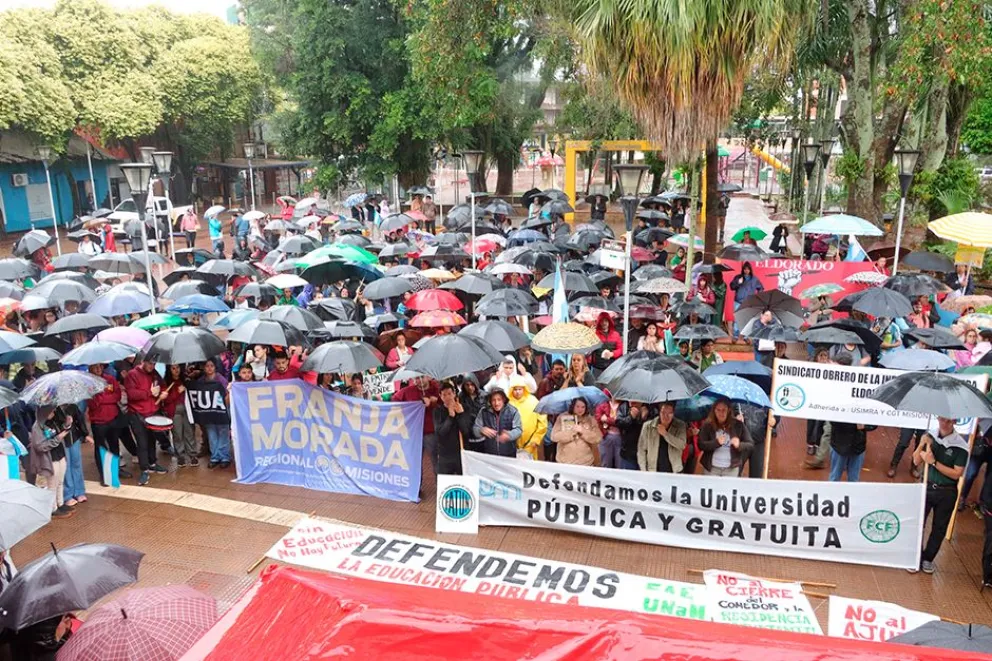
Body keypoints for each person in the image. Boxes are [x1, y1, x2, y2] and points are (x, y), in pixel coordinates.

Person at [910, 417, 968, 575]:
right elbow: (916, 461)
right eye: (942, 419)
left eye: (948, 421)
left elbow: (957, 473)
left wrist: (934, 462)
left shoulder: (961, 446)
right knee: (918, 522)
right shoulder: (930, 437)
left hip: (947, 491)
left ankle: (928, 558)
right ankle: (915, 556)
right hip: (927, 486)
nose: (944, 423)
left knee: (939, 527)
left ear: (954, 422)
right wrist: (922, 444)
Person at [124, 359, 168, 486]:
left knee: (151, 439)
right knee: (142, 442)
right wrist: (149, 393)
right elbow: (131, 394)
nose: (152, 366)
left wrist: (163, 393)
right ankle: (144, 469)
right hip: (137, 414)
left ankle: (152, 463)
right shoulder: (132, 374)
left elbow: (162, 385)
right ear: (143, 361)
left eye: (154, 364)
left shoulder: (154, 373)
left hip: (152, 412)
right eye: (150, 363)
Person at [86, 363, 132, 486]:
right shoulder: (88, 383)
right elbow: (93, 403)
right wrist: (105, 397)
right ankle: (104, 476)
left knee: (114, 447)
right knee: (101, 449)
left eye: (100, 366)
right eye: (95, 366)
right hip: (98, 422)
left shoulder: (110, 379)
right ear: (90, 368)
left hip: (113, 418)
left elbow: (117, 396)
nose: (98, 369)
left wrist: (103, 398)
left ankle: (115, 471)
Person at [29, 406, 74, 519]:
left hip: (60, 454)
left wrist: (67, 425)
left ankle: (60, 503)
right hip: (50, 458)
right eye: (51, 411)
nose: (54, 412)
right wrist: (58, 439)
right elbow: (40, 446)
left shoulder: (52, 421)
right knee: (52, 484)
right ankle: (53, 508)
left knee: (60, 481)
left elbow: (59, 430)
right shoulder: (37, 427)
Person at [188, 358, 231, 469]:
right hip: (209, 412)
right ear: (204, 368)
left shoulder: (220, 379)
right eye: (207, 366)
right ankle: (215, 456)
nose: (209, 368)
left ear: (215, 367)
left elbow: (228, 393)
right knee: (212, 434)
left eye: (212, 366)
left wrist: (224, 406)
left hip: (221, 411)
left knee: (223, 433)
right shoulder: (201, 380)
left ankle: (224, 457)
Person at [394, 376, 440, 474]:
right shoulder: (407, 391)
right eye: (417, 378)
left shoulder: (436, 390)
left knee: (436, 461)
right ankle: (417, 488)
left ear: (428, 377)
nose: (419, 380)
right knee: (414, 463)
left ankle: (439, 487)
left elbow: (444, 403)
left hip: (430, 432)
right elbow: (394, 400)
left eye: (422, 377)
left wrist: (434, 402)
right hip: (414, 433)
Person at [697, 398, 753, 476]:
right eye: (718, 410)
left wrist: (739, 445)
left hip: (731, 469)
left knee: (729, 488)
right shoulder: (708, 425)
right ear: (714, 411)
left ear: (729, 411)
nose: (721, 413)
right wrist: (716, 443)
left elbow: (750, 444)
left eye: (724, 410)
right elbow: (701, 444)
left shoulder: (738, 425)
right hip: (712, 469)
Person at [637, 401, 687, 473]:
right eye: (663, 413)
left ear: (673, 414)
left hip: (674, 470)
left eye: (669, 413)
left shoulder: (680, 425)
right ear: (659, 412)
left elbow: (682, 445)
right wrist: (644, 471)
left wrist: (666, 434)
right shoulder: (648, 426)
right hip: (653, 470)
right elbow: (641, 450)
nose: (666, 416)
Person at [471, 388, 522, 457]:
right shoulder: (483, 412)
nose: (496, 403)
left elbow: (518, 429)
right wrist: (481, 430)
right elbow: (475, 429)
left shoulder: (513, 411)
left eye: (499, 400)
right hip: (490, 455)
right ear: (490, 401)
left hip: (509, 454)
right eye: (493, 400)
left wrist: (509, 435)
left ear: (504, 400)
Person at [550, 397, 602, 466]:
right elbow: (554, 437)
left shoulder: (590, 419)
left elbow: (598, 438)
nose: (580, 409)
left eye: (583, 407)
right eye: (577, 406)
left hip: (585, 462)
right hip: (565, 462)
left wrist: (583, 431)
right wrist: (571, 432)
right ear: (573, 406)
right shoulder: (562, 417)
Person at [434, 382, 471, 474]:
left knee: (463, 482)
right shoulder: (437, 411)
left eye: (450, 394)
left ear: (454, 393)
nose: (447, 397)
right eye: (444, 395)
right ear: (440, 396)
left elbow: (466, 432)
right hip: (445, 454)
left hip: (461, 451)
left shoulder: (464, 407)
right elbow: (441, 433)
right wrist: (450, 417)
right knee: (445, 483)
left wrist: (461, 414)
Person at [163, 364, 196, 467]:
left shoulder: (185, 379)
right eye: (173, 368)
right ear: (169, 370)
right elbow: (166, 400)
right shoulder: (166, 382)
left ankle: (192, 454)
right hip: (174, 411)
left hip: (187, 410)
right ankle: (180, 455)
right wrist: (177, 392)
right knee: (177, 434)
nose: (176, 370)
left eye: (177, 368)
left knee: (189, 432)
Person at [507, 377, 546, 460]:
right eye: (515, 389)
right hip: (511, 445)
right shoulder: (507, 403)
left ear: (524, 389)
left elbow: (542, 422)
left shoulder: (533, 401)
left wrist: (536, 439)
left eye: (520, 389)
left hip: (530, 445)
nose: (517, 392)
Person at [823, 417, 873, 482]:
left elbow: (874, 423)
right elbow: (833, 421)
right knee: (834, 478)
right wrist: (854, 425)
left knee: (854, 479)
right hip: (839, 446)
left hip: (857, 446)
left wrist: (865, 425)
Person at [594, 394, 622, 468]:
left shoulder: (624, 406)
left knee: (620, 464)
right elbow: (598, 418)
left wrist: (607, 420)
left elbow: (621, 421)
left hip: (620, 437)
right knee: (605, 463)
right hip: (605, 435)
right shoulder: (602, 405)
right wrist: (613, 420)